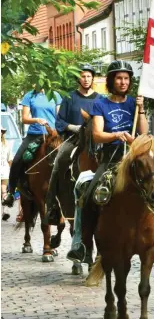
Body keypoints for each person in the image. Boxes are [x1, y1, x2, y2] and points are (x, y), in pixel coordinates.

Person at [66, 60, 154, 262]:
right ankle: (84, 246)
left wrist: (142, 109)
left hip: (137, 160)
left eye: (126, 78)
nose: (123, 82)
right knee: (91, 193)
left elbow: (144, 134)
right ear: (112, 81)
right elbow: (97, 135)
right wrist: (116, 135)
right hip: (111, 160)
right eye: (119, 78)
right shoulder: (100, 104)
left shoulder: (133, 104)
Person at [44, 64, 100, 225]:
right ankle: (52, 207)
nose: (86, 79)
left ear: (93, 78)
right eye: (83, 76)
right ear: (79, 79)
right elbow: (60, 120)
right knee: (59, 161)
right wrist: (71, 127)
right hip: (74, 139)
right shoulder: (69, 97)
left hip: (97, 140)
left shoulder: (100, 99)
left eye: (89, 76)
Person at [2, 88, 62, 207]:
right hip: (34, 134)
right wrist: (36, 120)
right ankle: (11, 193)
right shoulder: (29, 96)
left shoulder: (55, 95)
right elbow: (24, 119)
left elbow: (59, 117)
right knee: (17, 160)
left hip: (53, 136)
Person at [1, 124, 14, 220]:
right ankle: (5, 210)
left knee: (3, 190)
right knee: (4, 191)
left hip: (4, 171)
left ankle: (5, 210)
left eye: (1, 131)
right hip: (4, 170)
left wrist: (12, 171)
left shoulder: (7, 144)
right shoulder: (6, 144)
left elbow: (10, 160)